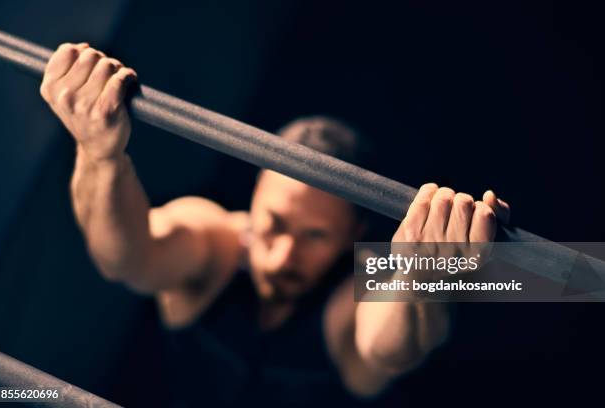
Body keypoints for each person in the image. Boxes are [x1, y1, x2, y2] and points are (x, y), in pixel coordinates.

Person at [39, 43, 510, 406]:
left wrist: (420, 279)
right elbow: (125, 258)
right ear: (255, 197)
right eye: (275, 222)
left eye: (315, 236)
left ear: (352, 234)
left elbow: (389, 351)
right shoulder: (215, 241)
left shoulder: (349, 296)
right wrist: (99, 155)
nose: (284, 254)